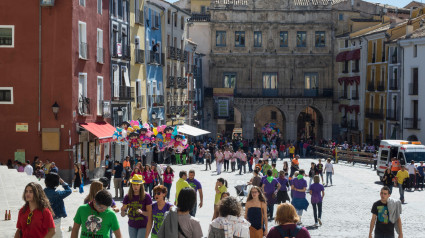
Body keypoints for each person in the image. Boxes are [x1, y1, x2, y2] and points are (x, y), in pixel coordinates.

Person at [121, 174, 153, 238]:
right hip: (132, 225)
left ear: (141, 185)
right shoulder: (127, 196)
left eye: (137, 185)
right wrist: (123, 210)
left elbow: (150, 213)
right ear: (131, 185)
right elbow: (123, 215)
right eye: (133, 184)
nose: (135, 186)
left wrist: (142, 212)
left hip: (143, 225)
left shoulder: (146, 196)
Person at [44, 173, 72, 238]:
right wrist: (62, 182)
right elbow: (69, 190)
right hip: (56, 218)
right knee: (57, 235)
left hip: (45, 218)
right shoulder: (58, 194)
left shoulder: (42, 192)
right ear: (57, 183)